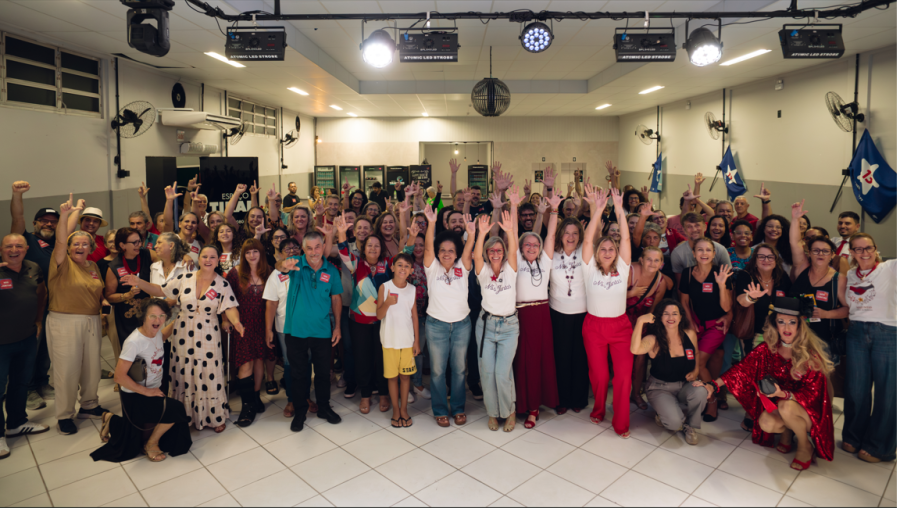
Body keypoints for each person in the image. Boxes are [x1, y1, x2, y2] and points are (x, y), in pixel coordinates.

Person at [122, 245, 243, 433]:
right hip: (183, 333)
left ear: (218, 260)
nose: (208, 260)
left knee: (209, 372)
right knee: (184, 373)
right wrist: (138, 281)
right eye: (204, 256)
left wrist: (237, 323)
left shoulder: (222, 284)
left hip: (209, 335)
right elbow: (161, 290)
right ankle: (183, 415)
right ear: (199, 259)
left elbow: (230, 307)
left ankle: (214, 416)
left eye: (212, 257)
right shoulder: (184, 278)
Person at [708, 296, 835, 470]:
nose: (786, 327)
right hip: (780, 407)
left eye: (792, 322)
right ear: (775, 324)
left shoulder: (810, 355)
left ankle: (805, 446)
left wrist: (782, 395)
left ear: (799, 325)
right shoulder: (768, 348)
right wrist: (713, 386)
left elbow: (814, 396)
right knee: (766, 423)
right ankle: (788, 432)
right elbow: (741, 369)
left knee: (785, 406)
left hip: (808, 412)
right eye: (781, 322)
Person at [91, 299, 192, 463]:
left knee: (138, 433)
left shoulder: (157, 332)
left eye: (161, 316)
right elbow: (119, 377)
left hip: (151, 391)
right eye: (153, 316)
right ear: (143, 317)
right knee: (176, 409)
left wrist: (181, 319)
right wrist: (148, 392)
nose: (158, 320)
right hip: (135, 396)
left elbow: (163, 335)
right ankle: (151, 444)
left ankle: (111, 420)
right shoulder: (133, 342)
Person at [47, 196, 107, 435]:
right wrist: (65, 215)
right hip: (65, 321)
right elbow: (60, 241)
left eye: (85, 244)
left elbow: (97, 292)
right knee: (67, 370)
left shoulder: (92, 267)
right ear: (69, 248)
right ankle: (64, 415)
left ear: (91, 248)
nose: (80, 247)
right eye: (76, 244)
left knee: (92, 368)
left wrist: (104, 304)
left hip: (91, 321)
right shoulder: (61, 263)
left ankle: (89, 404)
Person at [581, 185, 633, 436]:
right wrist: (599, 210)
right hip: (594, 327)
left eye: (611, 249)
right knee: (600, 376)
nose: (607, 252)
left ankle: (621, 422)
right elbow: (588, 239)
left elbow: (624, 238)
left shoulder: (623, 268)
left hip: (621, 327)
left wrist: (620, 209)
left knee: (623, 378)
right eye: (603, 249)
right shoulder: (588, 268)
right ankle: (598, 409)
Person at [280, 229, 343, 432]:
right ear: (303, 249)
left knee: (324, 373)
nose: (314, 252)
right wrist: (284, 264)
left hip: (322, 331)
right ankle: (300, 411)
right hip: (295, 331)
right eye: (309, 248)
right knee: (299, 374)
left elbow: (336, 298)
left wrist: (338, 327)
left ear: (323, 247)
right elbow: (280, 267)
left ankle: (324, 407)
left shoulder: (331, 270)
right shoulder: (296, 264)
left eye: (318, 247)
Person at [842, 232, 896, 464]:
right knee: (856, 389)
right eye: (859, 249)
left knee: (887, 392)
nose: (865, 253)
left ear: (875, 249)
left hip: (887, 333)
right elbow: (847, 304)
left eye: (868, 248)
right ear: (851, 252)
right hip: (856, 332)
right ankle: (854, 436)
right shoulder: (850, 274)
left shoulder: (891, 268)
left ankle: (879, 446)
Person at [422, 203, 475, 427]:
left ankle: (459, 408)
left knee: (460, 369)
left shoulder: (463, 266)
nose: (446, 253)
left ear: (457, 253)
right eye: (442, 250)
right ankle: (440, 409)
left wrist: (471, 234)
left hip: (462, 324)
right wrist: (431, 222)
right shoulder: (431, 267)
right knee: (436, 370)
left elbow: (469, 246)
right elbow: (427, 249)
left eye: (451, 250)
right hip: (436, 325)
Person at [335, 216, 394, 413]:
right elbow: (343, 250)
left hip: (382, 320)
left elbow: (407, 254)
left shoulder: (388, 264)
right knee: (362, 358)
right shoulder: (355, 263)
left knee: (382, 357)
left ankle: (384, 393)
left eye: (377, 246)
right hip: (358, 321)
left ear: (381, 249)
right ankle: (366, 395)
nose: (373, 249)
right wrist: (342, 231)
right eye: (370, 245)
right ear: (363, 247)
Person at [514, 194, 562, 429]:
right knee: (522, 361)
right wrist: (513, 206)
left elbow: (550, 235)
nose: (531, 247)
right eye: (527, 244)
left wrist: (553, 211)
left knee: (539, 361)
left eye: (535, 244)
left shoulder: (544, 262)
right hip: (521, 315)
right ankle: (522, 404)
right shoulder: (516, 261)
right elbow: (512, 236)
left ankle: (535, 408)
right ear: (521, 248)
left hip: (542, 314)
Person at [0, 234, 50, 458]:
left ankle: (17, 423)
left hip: (27, 338)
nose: (14, 250)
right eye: (8, 246)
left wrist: (39, 319)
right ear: (1, 249)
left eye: (18, 246)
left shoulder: (33, 268)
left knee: (20, 383)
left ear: (26, 249)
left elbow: (42, 293)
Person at [631, 300, 706, 445]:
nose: (670, 317)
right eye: (666, 314)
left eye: (674, 313)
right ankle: (666, 413)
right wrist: (640, 321)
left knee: (701, 391)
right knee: (673, 424)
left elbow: (696, 353)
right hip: (659, 387)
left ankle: (690, 425)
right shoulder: (654, 340)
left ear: (681, 316)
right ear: (659, 317)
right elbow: (635, 349)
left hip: (684, 384)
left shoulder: (689, 334)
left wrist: (696, 370)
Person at [473, 207, 520, 432]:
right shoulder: (482, 271)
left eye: (498, 249)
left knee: (502, 372)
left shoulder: (510, 270)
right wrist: (481, 232)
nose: (495, 252)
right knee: (487, 372)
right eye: (490, 250)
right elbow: (475, 255)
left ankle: (509, 411)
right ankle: (493, 413)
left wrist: (510, 231)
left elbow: (513, 250)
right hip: (486, 326)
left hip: (509, 326)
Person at [678, 237, 733, 422]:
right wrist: (688, 320)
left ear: (714, 253)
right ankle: (699, 396)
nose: (704, 254)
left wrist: (721, 284)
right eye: (699, 250)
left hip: (716, 325)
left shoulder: (722, 272)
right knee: (702, 360)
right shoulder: (686, 273)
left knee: (699, 363)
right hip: (695, 323)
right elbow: (684, 301)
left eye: (708, 250)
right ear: (693, 254)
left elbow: (726, 308)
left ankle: (712, 401)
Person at [787, 201, 848, 366]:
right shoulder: (802, 269)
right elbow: (794, 243)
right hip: (795, 336)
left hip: (824, 341)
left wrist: (826, 314)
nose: (820, 254)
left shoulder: (839, 279)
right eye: (816, 250)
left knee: (822, 382)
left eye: (825, 251)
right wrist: (795, 219)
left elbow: (848, 309)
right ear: (809, 252)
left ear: (832, 255)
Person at [225, 239, 275, 427]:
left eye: (255, 251)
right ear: (243, 255)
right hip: (242, 324)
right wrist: (225, 320)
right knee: (246, 364)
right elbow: (226, 298)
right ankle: (247, 406)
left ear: (261, 253)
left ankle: (255, 397)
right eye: (248, 252)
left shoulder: (269, 271)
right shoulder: (235, 273)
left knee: (259, 360)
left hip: (263, 323)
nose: (252, 255)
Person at [549, 216, 590, 415]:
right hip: (558, 312)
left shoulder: (584, 252)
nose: (571, 237)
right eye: (567, 232)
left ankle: (578, 399)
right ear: (560, 235)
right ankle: (561, 399)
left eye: (575, 233)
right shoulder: (552, 253)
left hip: (583, 312)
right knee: (561, 357)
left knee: (580, 358)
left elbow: (595, 235)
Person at [376, 253, 420, 428]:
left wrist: (416, 342)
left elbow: (415, 317)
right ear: (392, 267)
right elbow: (379, 316)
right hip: (389, 341)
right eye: (399, 265)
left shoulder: (412, 289)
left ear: (411, 270)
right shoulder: (384, 287)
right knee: (392, 378)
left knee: (405, 377)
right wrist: (386, 303)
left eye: (406, 266)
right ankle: (395, 410)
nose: (403, 268)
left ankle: (404, 410)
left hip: (407, 341)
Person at [626, 246, 672, 410]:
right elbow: (611, 296)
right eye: (649, 259)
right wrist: (630, 294)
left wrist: (643, 327)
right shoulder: (629, 271)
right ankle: (622, 393)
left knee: (640, 358)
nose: (652, 263)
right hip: (621, 319)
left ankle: (636, 393)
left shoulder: (660, 282)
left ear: (661, 263)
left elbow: (653, 309)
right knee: (623, 358)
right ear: (641, 260)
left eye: (656, 260)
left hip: (641, 321)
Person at [264, 238, 301, 418]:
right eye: (288, 248)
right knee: (289, 363)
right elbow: (271, 304)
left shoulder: (308, 268)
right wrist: (268, 330)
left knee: (306, 362)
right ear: (280, 253)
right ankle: (292, 399)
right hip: (284, 326)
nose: (292, 251)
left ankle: (305, 397)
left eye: (295, 247)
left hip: (307, 326)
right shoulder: (276, 275)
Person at [105, 228, 153, 350]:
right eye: (134, 242)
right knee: (131, 350)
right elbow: (109, 295)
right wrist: (126, 295)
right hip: (127, 316)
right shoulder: (114, 266)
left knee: (151, 350)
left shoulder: (147, 255)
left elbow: (167, 258)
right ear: (122, 245)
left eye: (140, 241)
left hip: (148, 314)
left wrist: (185, 257)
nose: (139, 245)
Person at [400, 225, 431, 401]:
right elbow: (406, 250)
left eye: (422, 245)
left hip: (424, 315)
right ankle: (405, 386)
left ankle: (417, 383)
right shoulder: (406, 263)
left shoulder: (431, 263)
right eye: (416, 245)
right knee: (403, 350)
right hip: (404, 314)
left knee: (418, 351)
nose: (418, 248)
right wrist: (412, 237)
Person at [670, 213, 731, 290]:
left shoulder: (720, 250)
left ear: (705, 227)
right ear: (684, 230)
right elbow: (680, 286)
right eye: (689, 226)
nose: (694, 229)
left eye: (697, 225)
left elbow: (728, 284)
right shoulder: (677, 253)